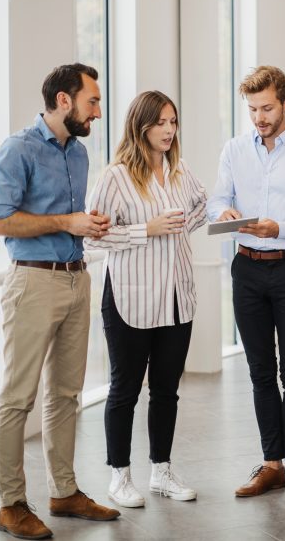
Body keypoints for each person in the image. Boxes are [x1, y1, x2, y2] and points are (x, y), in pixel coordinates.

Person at [0, 64, 120, 540]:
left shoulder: (79, 154)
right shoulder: (18, 148)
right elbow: (0, 222)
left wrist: (87, 224)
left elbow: (69, 219)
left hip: (75, 279)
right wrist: (67, 222)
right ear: (64, 101)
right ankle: (11, 504)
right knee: (17, 397)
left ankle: (64, 492)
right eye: (93, 101)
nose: (97, 112)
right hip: (33, 283)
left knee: (66, 395)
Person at [206, 65, 285, 503]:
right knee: (259, 372)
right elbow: (217, 199)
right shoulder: (235, 150)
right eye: (253, 109)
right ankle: (272, 464)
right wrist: (221, 213)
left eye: (267, 108)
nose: (259, 116)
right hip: (247, 270)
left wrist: (278, 228)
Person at [84, 90, 208, 508]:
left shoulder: (179, 169)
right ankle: (119, 476)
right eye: (161, 122)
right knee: (125, 391)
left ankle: (161, 471)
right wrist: (146, 230)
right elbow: (91, 237)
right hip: (130, 300)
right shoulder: (115, 177)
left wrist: (181, 224)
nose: (169, 130)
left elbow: (201, 205)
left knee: (167, 390)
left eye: (173, 122)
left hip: (177, 297)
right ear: (141, 126)